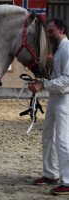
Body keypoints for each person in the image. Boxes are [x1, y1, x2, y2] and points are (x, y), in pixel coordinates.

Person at [28, 18, 69, 195]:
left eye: (51, 31)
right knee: (47, 137)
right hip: (55, 98)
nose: (49, 35)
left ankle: (67, 181)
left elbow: (67, 80)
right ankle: (50, 174)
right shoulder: (58, 50)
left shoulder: (68, 49)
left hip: (66, 100)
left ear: (61, 30)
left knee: (62, 140)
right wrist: (42, 81)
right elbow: (55, 77)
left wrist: (43, 85)